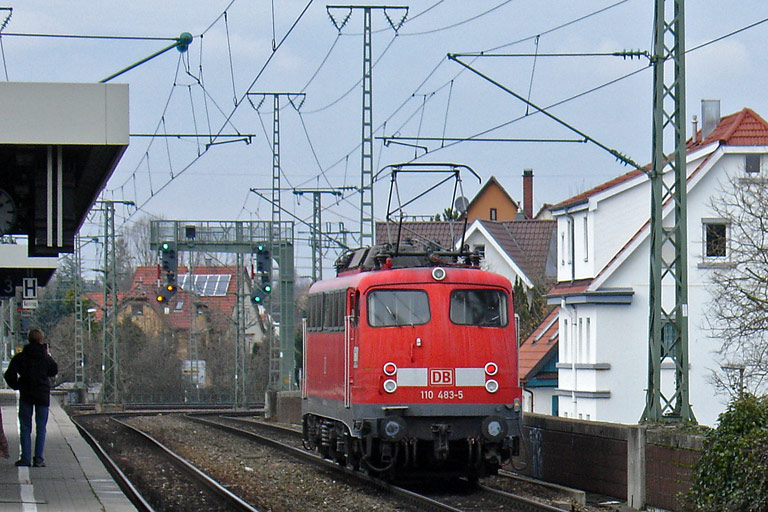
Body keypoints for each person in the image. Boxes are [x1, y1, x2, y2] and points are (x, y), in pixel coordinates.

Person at [3, 329, 58, 467]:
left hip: (26, 394)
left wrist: (16, 385)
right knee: (41, 427)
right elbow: (53, 370)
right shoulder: (45, 357)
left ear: (28, 340)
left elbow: (9, 374)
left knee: (25, 427)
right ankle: (38, 459)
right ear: (41, 340)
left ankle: (25, 458)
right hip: (42, 396)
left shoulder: (21, 357)